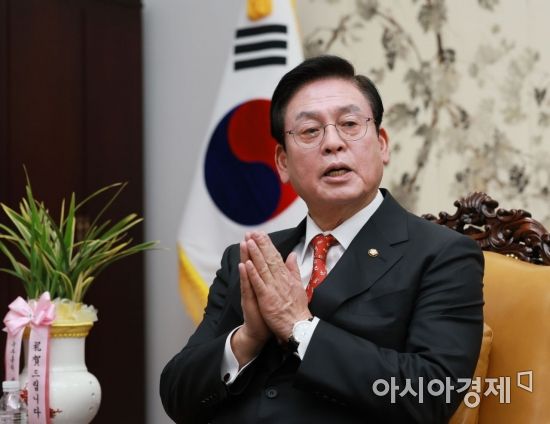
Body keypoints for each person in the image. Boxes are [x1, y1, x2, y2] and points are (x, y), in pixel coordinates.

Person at [160, 55, 484, 424]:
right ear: (282, 163)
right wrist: (247, 339)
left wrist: (299, 327)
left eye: (349, 124)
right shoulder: (249, 259)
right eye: (310, 131)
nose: (332, 143)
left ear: (382, 145)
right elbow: (176, 395)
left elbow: (431, 394)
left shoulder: (442, 255)